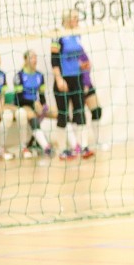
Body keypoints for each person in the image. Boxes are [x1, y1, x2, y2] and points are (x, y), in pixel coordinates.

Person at [50, 10, 94, 160]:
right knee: (63, 114)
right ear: (67, 19)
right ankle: (62, 149)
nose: (77, 19)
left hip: (77, 79)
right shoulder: (58, 35)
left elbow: (76, 57)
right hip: (63, 79)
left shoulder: (77, 34)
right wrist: (59, 79)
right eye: (75, 17)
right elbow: (55, 59)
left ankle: (84, 147)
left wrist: (82, 65)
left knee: (80, 112)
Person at [13, 50, 54, 158]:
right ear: (25, 60)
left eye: (35, 57)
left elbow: (42, 95)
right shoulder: (19, 76)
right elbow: (18, 98)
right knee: (32, 116)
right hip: (23, 104)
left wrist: (43, 105)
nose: (34, 60)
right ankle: (46, 147)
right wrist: (34, 103)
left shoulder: (39, 75)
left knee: (58, 112)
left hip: (35, 104)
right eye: (32, 57)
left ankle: (71, 146)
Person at [0, 51, 16, 160]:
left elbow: (2, 94)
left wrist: (0, 105)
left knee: (14, 113)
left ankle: (1, 150)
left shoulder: (2, 74)